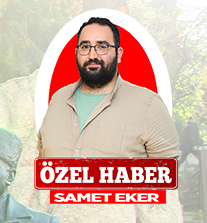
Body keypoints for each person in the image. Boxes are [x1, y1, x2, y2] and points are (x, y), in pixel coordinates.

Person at [37, 16, 178, 158]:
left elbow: (167, 175)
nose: (92, 55)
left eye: (102, 47)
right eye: (85, 47)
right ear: (76, 53)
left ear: (119, 54)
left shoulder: (149, 105)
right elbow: (42, 164)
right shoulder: (57, 99)